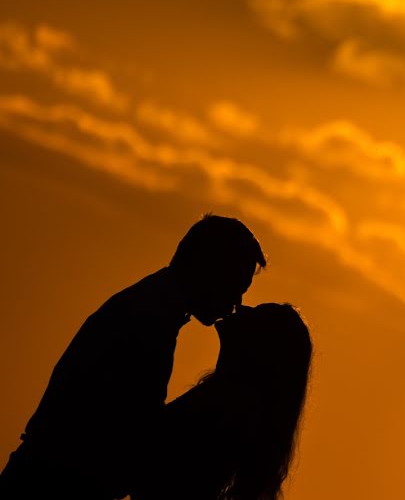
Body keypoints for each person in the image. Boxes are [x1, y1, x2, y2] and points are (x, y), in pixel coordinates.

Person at [0, 214, 266, 499]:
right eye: (234, 289)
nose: (235, 306)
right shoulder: (148, 321)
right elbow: (135, 435)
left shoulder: (148, 308)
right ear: (208, 270)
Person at [130, 303, 312, 500]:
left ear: (262, 344)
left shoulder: (235, 406)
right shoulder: (231, 398)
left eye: (256, 314)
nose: (242, 308)